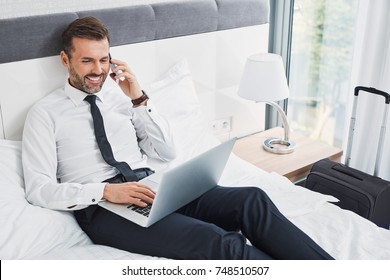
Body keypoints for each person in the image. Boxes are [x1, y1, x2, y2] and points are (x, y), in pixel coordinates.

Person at [22, 16, 333, 260]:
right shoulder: (45, 114)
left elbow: (167, 151)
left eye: (104, 60)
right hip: (103, 209)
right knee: (217, 242)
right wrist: (105, 191)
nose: (98, 70)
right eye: (87, 60)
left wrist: (139, 98)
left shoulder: (121, 97)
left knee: (252, 199)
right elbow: (40, 189)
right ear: (65, 60)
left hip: (154, 187)